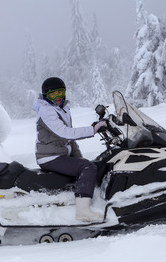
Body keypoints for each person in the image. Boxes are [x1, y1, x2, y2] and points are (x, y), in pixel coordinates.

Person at [32, 77, 106, 222]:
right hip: (49, 157)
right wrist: (93, 130)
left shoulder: (62, 109)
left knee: (89, 166)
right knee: (88, 167)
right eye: (53, 95)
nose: (58, 97)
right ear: (46, 96)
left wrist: (79, 158)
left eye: (60, 93)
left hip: (59, 153)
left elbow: (69, 139)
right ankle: (83, 211)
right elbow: (64, 132)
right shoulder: (46, 111)